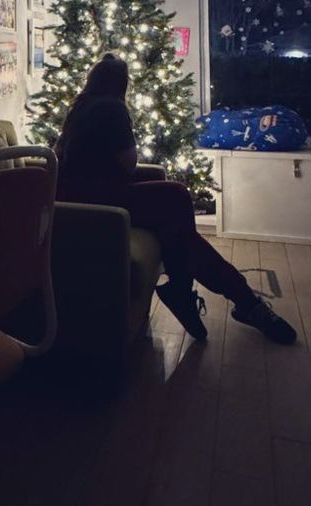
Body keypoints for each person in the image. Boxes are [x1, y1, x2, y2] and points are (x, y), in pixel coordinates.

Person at [55, 53, 297, 344]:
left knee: (177, 223)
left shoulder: (80, 107)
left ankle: (200, 294)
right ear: (122, 83)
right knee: (177, 198)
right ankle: (235, 300)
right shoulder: (113, 108)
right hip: (98, 201)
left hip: (80, 195)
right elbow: (129, 163)